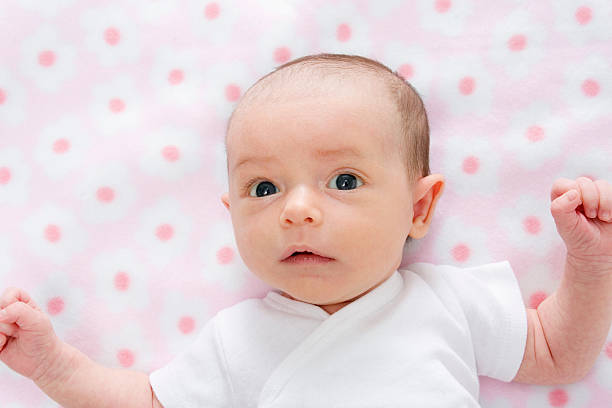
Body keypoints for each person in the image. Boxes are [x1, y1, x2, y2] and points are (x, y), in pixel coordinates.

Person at [1, 53, 611, 407]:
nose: (295, 210)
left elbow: (561, 355)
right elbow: (147, 403)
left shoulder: (446, 302)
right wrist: (53, 367)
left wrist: (590, 263)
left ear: (419, 209)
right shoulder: (238, 337)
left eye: (343, 180)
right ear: (230, 214)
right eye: (262, 189)